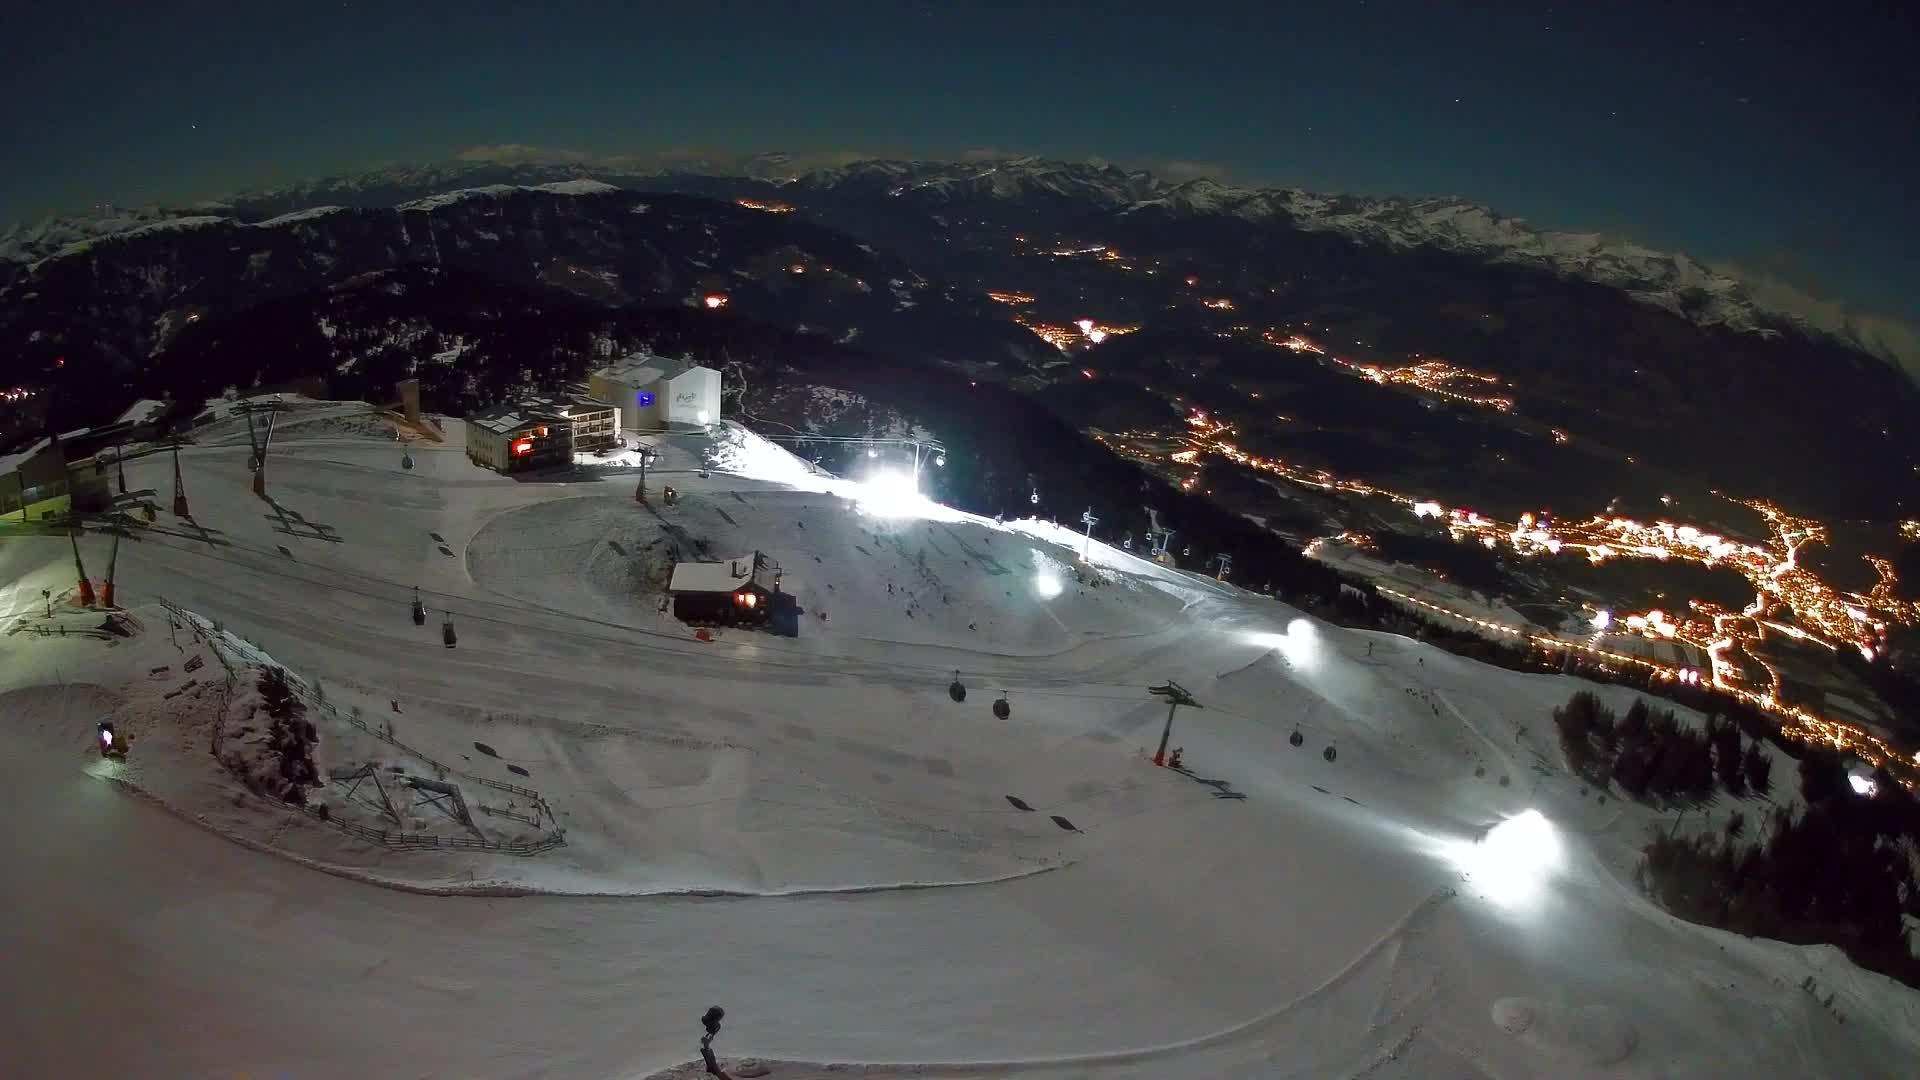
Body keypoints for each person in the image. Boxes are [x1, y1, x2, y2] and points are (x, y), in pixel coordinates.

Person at [700, 1006, 730, 1078]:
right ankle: (712, 1069)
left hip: (707, 1046)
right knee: (708, 1054)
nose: (719, 1020)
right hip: (706, 1047)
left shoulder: (716, 1026)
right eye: (719, 1018)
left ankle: (712, 1068)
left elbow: (710, 1036)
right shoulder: (713, 1025)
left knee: (709, 1053)